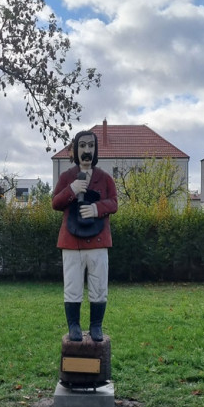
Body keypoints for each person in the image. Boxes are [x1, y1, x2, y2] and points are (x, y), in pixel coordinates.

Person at [52, 129, 118, 342]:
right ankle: (74, 326)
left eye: (90, 146)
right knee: (72, 285)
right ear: (76, 149)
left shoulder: (105, 179)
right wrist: (71, 189)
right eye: (82, 146)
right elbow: (55, 203)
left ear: (95, 149)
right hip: (72, 242)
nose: (87, 150)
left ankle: (96, 326)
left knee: (99, 286)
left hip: (98, 241)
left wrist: (97, 208)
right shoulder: (66, 177)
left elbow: (114, 203)